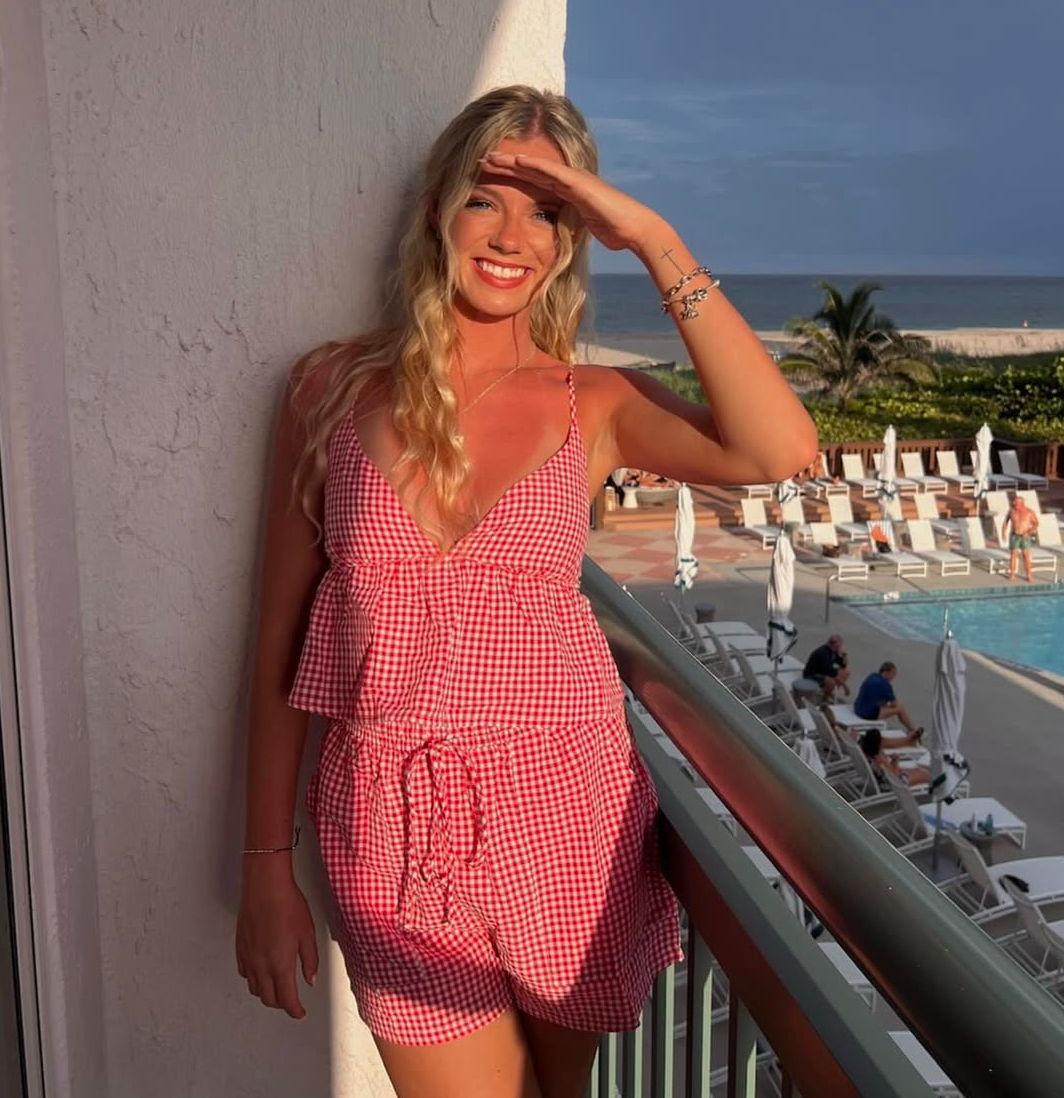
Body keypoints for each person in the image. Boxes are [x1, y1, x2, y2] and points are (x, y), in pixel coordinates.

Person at [235, 85, 818, 1098]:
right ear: (437, 208)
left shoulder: (594, 402)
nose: (512, 237)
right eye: (485, 199)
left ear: (574, 235)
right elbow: (279, 634)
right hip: (387, 834)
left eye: (548, 211)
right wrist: (263, 860)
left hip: (567, 823)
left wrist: (654, 239)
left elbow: (779, 449)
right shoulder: (330, 389)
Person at [852, 661, 923, 738]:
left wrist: (885, 704)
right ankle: (913, 730)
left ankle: (911, 729)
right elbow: (895, 704)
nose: (894, 677)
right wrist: (889, 704)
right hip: (866, 714)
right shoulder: (885, 685)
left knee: (884, 705)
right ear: (886, 672)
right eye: (893, 674)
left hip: (857, 708)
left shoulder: (872, 676)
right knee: (900, 709)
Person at [859, 728, 930, 787]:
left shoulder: (870, 755)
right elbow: (895, 775)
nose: (882, 740)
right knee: (924, 775)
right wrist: (896, 760)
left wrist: (893, 761)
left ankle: (911, 739)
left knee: (917, 769)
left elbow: (889, 770)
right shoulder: (880, 759)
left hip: (885, 779)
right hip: (895, 784)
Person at [803, 634, 850, 701]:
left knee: (846, 672)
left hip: (823, 672)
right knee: (830, 682)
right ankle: (824, 700)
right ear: (834, 645)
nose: (840, 648)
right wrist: (844, 685)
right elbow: (829, 672)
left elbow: (843, 665)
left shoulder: (833, 651)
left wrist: (844, 655)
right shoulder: (822, 653)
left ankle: (829, 692)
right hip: (811, 675)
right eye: (839, 646)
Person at [1005, 494, 1039, 582]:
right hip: (1014, 535)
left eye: (1016, 503)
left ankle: (1029, 575)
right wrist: (1003, 532)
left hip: (1025, 536)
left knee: (1026, 555)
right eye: (1014, 503)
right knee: (1013, 554)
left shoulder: (1029, 512)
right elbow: (1006, 522)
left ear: (1022, 503)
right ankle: (1012, 574)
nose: (1014, 504)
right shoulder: (1011, 511)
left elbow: (1036, 523)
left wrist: (1029, 532)